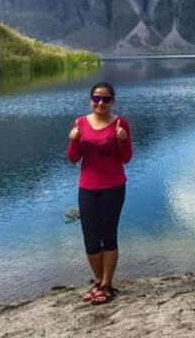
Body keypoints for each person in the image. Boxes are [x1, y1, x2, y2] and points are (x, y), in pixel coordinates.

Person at [66, 82, 132, 305]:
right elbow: (73, 158)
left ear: (113, 101)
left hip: (113, 186)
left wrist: (123, 140)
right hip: (87, 187)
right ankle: (97, 280)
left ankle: (107, 285)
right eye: (96, 98)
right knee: (91, 239)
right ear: (90, 100)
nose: (100, 103)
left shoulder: (120, 124)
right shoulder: (80, 123)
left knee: (108, 235)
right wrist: (74, 139)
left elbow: (126, 158)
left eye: (105, 99)